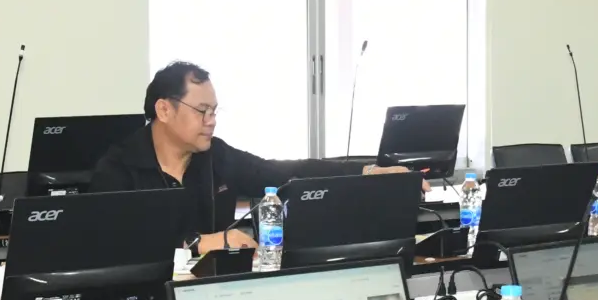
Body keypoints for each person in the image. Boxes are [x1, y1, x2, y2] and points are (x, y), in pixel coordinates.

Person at [88, 61, 402, 251]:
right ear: (164, 110)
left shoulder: (216, 156)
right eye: (202, 111)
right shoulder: (117, 169)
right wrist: (203, 243)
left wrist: (367, 172)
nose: (211, 121)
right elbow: (117, 245)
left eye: (214, 111)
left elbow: (285, 172)